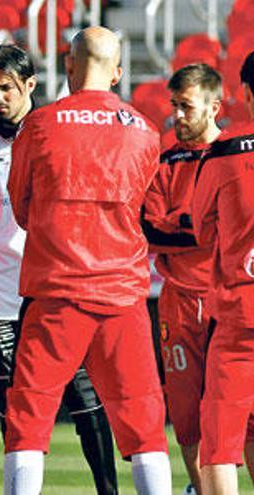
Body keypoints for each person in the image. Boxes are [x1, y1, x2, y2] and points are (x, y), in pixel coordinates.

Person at [5, 27, 171, 494]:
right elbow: (148, 213)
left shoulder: (39, 125)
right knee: (145, 427)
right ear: (118, 72)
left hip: (56, 294)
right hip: (123, 296)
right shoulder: (146, 132)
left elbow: (22, 209)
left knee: (28, 420)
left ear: (69, 65)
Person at [0, 44, 118, 495]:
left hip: (58, 287)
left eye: (6, 87)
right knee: (13, 406)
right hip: (2, 294)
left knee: (85, 399)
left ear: (30, 85)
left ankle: (108, 489)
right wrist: (6, 251)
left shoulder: (57, 133)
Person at [140, 63, 224, 495]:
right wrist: (199, 224)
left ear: (215, 105)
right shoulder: (166, 162)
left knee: (239, 414)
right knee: (187, 414)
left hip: (227, 299)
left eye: (186, 106)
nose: (177, 115)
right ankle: (199, 489)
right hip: (177, 302)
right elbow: (149, 227)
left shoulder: (236, 157)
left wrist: (183, 223)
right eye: (174, 106)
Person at [192, 50, 254, 495]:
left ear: (246, 93)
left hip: (238, 324)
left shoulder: (224, 154)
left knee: (220, 445)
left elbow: (201, 227)